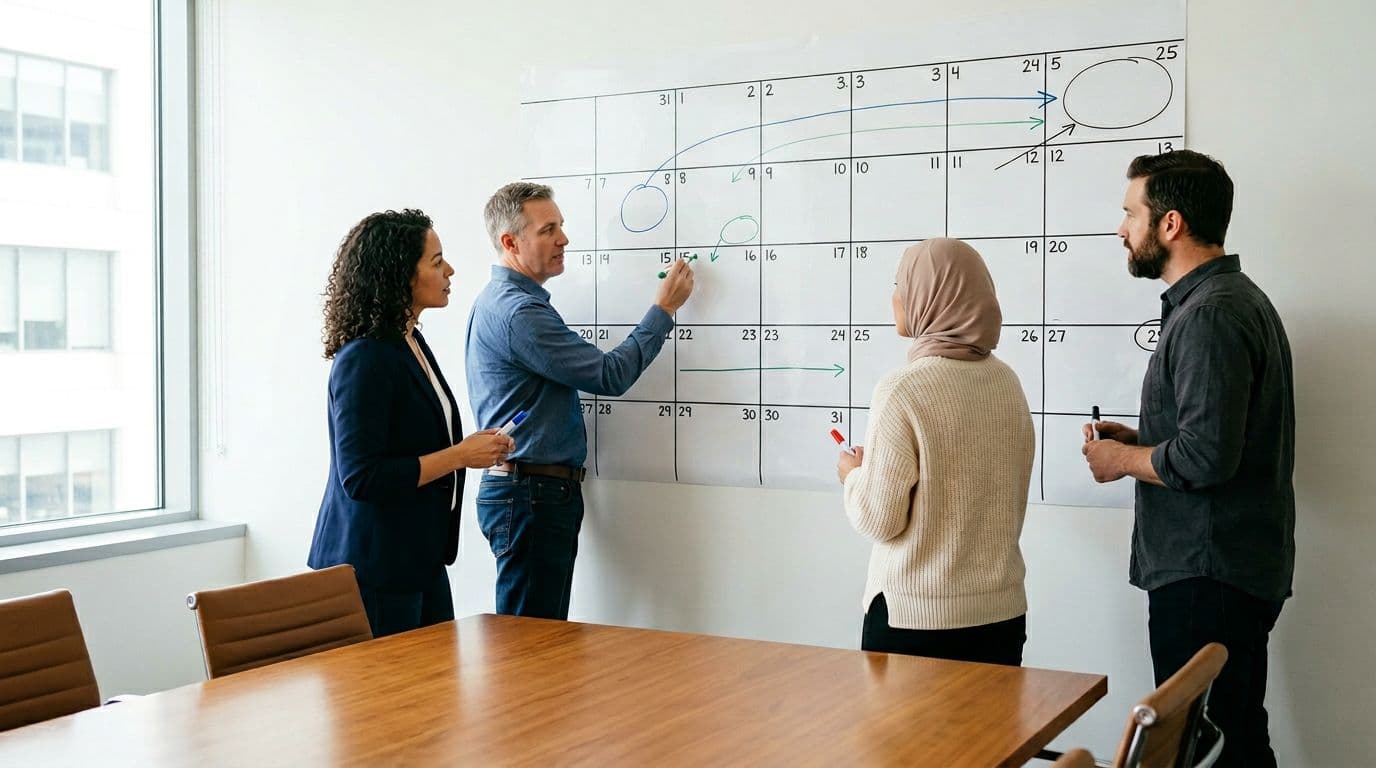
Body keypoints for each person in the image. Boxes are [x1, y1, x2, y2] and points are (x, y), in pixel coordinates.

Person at [1083, 150, 1294, 767]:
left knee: (1218, 746)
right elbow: (1212, 435)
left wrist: (1122, 460)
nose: (1121, 229)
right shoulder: (1226, 301)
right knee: (1229, 738)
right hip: (1222, 567)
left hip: (1208, 573)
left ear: (1169, 225)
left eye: (1130, 214)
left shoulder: (1210, 315)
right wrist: (1141, 436)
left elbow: (1205, 459)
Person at [465, 182, 694, 619]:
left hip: (530, 490)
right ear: (510, 242)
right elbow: (609, 375)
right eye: (548, 229)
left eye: (562, 226)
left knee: (535, 642)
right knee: (531, 647)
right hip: (531, 494)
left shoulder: (500, 302)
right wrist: (662, 311)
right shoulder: (520, 312)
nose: (564, 239)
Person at [308, 209, 514, 637]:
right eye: (436, 262)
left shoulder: (410, 340)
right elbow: (362, 477)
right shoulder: (364, 359)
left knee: (437, 696)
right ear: (399, 273)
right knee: (393, 701)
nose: (450, 270)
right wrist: (460, 456)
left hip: (419, 558)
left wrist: (469, 448)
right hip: (373, 569)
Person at [837, 238, 1035, 665]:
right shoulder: (1006, 382)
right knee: (996, 735)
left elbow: (879, 519)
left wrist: (852, 475)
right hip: (1001, 616)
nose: (894, 297)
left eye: (901, 284)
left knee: (904, 737)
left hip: (915, 620)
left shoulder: (903, 389)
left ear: (930, 296)